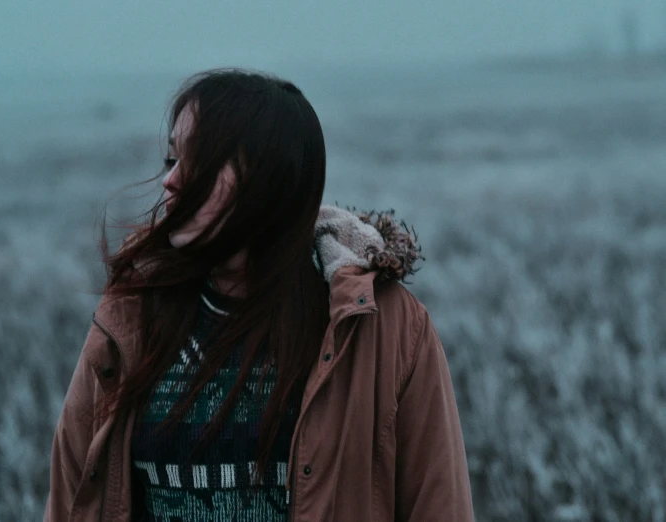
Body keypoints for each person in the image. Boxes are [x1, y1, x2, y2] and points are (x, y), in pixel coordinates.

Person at [43, 68, 474, 522]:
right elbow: (72, 500)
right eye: (170, 160)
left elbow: (439, 505)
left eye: (197, 161)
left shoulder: (381, 328)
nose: (170, 181)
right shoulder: (129, 319)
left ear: (266, 180)